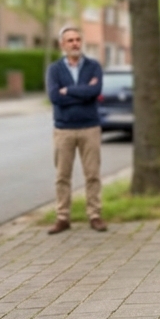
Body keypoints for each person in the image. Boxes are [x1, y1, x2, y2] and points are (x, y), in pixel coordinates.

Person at [46, 26, 107, 234]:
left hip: (90, 128)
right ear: (63, 44)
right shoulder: (54, 70)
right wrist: (83, 93)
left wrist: (69, 91)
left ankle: (95, 215)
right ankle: (62, 217)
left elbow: (95, 91)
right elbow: (54, 97)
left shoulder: (93, 66)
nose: (75, 43)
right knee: (63, 176)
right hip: (64, 130)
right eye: (70, 40)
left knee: (92, 174)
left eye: (78, 39)